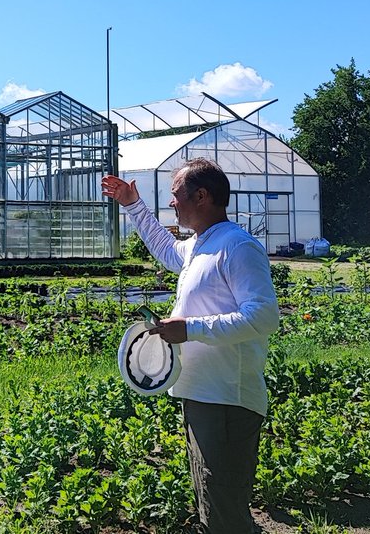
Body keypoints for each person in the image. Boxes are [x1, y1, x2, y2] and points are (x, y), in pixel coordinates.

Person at [102, 159, 280, 534]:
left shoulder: (237, 246)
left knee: (223, 509)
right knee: (212, 501)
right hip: (202, 393)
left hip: (228, 398)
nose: (172, 204)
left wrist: (191, 329)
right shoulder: (202, 244)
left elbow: (264, 316)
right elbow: (167, 250)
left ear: (202, 196)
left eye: (176, 196)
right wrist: (133, 204)